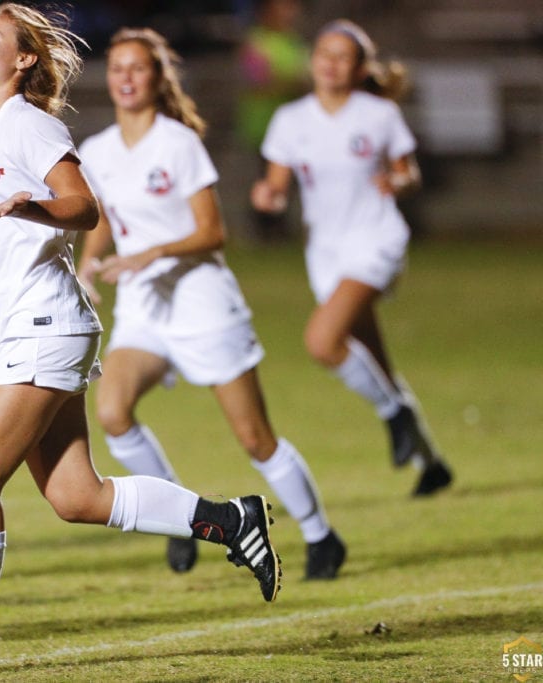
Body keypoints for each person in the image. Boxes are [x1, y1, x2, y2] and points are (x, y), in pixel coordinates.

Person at [0, 4, 281, 678]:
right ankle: (230, 518)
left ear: (25, 59)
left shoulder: (31, 126)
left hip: (46, 327)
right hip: (33, 329)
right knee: (76, 497)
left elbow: (84, 206)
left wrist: (32, 204)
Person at [76, 27, 344, 581]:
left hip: (203, 305)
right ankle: (184, 519)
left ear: (157, 79)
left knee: (254, 436)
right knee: (112, 411)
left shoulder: (179, 143)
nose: (125, 77)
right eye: (117, 67)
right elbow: (102, 215)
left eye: (137, 68)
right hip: (144, 309)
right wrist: (87, 263)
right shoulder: (98, 150)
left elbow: (212, 232)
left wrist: (151, 252)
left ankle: (322, 536)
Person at [251, 19, 453, 496]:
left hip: (377, 238)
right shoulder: (291, 119)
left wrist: (400, 182)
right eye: (324, 53)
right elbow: (276, 186)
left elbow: (409, 172)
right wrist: (269, 198)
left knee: (323, 341)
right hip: (325, 251)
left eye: (343, 57)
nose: (331, 64)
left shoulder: (377, 115)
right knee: (376, 364)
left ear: (361, 68)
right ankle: (432, 462)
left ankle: (394, 414)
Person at [234, 0, 308, 241]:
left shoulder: (295, 41)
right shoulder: (256, 42)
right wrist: (295, 83)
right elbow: (260, 81)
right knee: (266, 180)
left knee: (291, 183)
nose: (290, 13)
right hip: (263, 125)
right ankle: (263, 232)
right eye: (284, 8)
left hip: (297, 128)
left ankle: (282, 231)